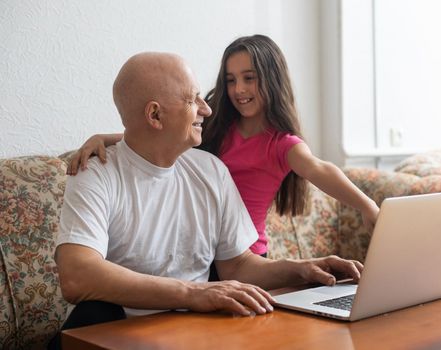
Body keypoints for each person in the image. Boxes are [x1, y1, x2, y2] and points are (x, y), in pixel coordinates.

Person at [51, 51, 363, 348]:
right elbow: (78, 276)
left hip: (198, 329)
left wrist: (303, 270)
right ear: (155, 115)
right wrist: (193, 293)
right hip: (118, 330)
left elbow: (238, 266)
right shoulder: (96, 172)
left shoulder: (210, 169)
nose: (207, 108)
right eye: (192, 99)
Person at [66, 34, 379, 258]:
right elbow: (161, 135)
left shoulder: (282, 145)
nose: (238, 90)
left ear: (271, 80)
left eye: (249, 78)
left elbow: (321, 170)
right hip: (203, 249)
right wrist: (106, 138)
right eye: (230, 80)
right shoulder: (217, 125)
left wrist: (368, 206)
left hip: (245, 255)